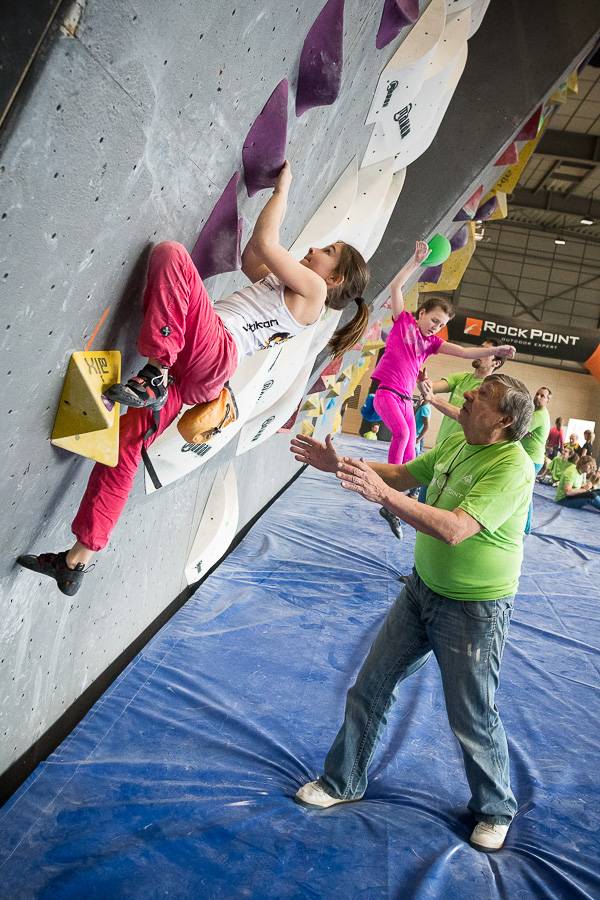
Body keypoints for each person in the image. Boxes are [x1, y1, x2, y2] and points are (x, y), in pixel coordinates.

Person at [18, 162, 370, 596]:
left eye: (327, 251)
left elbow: (266, 241)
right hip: (203, 372)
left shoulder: (314, 296)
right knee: (126, 449)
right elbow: (250, 258)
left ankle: (154, 373)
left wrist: (283, 188)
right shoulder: (290, 290)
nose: (315, 249)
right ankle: (77, 559)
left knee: (171, 255)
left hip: (213, 352)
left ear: (332, 278)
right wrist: (252, 196)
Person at [290, 373, 535, 852]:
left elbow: (456, 528)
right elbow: (403, 475)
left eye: (481, 395)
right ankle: (344, 781)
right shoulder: (458, 443)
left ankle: (495, 808)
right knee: (371, 687)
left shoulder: (512, 466)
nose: (467, 395)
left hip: (473, 610)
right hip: (422, 590)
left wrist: (384, 498)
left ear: (504, 420)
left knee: (472, 715)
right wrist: (339, 464)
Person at [372, 251, 515, 538]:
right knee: (401, 435)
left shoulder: (431, 344)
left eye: (441, 324)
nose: (436, 326)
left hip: (404, 398)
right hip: (386, 393)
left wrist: (495, 351)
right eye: (434, 319)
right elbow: (396, 287)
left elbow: (464, 352)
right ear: (421, 313)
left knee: (413, 441)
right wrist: (415, 261)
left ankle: (404, 494)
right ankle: (389, 490)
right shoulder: (404, 323)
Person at [521, 387, 552, 534]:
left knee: (525, 492)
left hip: (532, 459)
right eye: (537, 394)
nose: (538, 397)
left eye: (543, 396)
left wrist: (523, 431)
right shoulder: (537, 413)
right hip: (530, 457)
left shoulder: (540, 415)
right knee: (524, 490)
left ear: (547, 400)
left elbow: (520, 430)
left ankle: (526, 527)